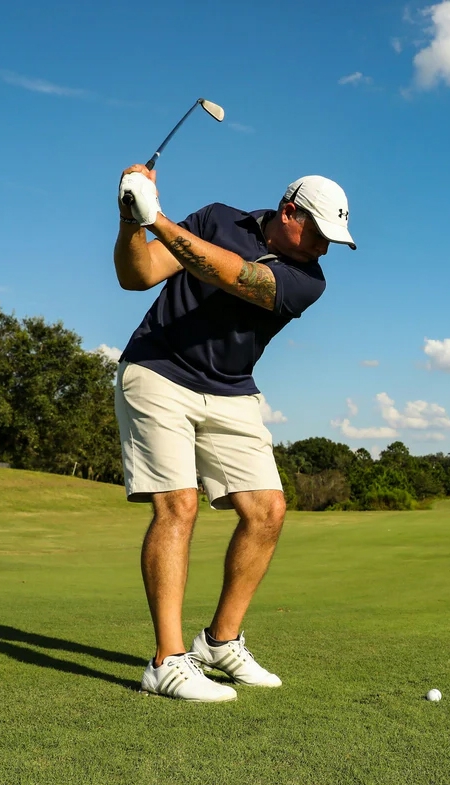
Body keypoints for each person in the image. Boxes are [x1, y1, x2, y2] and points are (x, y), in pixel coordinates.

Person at [113, 164, 355, 702]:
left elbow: (236, 277)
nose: (323, 248)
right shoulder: (218, 218)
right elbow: (138, 276)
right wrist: (133, 221)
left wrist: (159, 219)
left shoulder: (308, 280)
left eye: (333, 240)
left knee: (267, 509)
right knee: (178, 506)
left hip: (230, 389)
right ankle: (168, 661)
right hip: (156, 370)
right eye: (317, 233)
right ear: (288, 212)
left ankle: (220, 642)